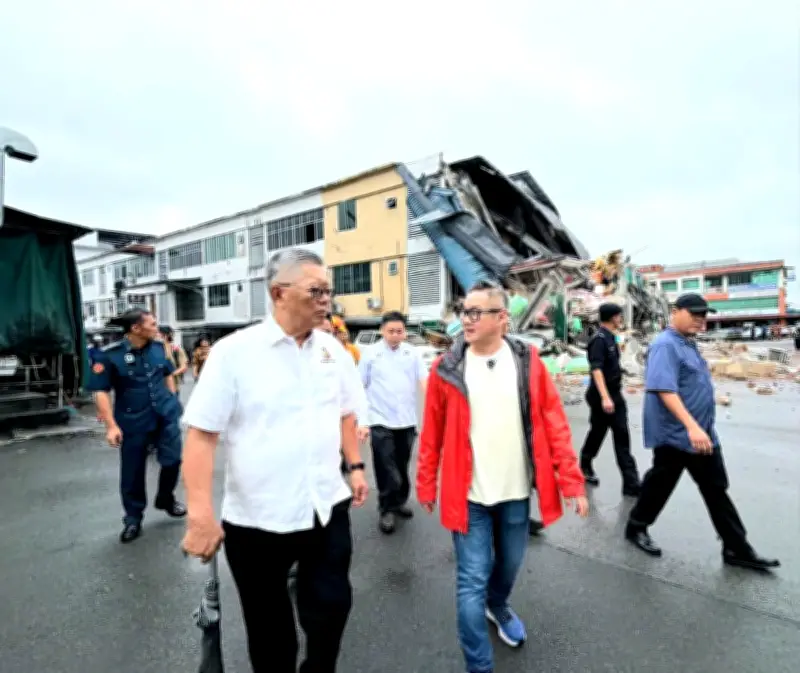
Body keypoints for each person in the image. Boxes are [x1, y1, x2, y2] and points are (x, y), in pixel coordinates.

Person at [180, 249, 369, 673]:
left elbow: (345, 412)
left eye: (328, 291)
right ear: (278, 292)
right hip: (257, 519)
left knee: (332, 609)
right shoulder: (234, 353)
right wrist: (200, 515)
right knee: (270, 632)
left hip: (325, 507)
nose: (327, 300)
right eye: (316, 291)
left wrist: (355, 466)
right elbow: (201, 434)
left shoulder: (333, 352)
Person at [417, 281, 588, 673]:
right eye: (465, 311)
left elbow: (554, 421)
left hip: (514, 492)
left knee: (508, 566)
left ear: (502, 318)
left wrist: (571, 481)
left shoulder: (528, 360)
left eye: (477, 312)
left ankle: (500, 605)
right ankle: (479, 665)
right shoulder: (447, 368)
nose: (467, 320)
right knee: (470, 582)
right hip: (469, 496)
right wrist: (427, 482)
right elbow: (432, 432)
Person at [626, 293, 780, 571]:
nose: (700, 320)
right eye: (694, 314)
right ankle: (636, 527)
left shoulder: (687, 344)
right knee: (661, 484)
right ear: (676, 312)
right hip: (678, 434)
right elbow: (663, 389)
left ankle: (736, 547)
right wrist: (691, 426)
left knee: (715, 488)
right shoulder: (665, 345)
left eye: (703, 315)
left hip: (701, 433)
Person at [86, 309, 186, 543]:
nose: (156, 327)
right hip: (133, 420)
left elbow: (167, 373)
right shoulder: (109, 355)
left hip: (165, 414)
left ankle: (165, 498)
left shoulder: (160, 347)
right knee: (133, 471)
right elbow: (100, 392)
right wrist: (111, 426)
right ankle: (133, 518)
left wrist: (172, 399)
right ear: (136, 329)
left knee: (173, 460)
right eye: (152, 324)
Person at [359, 311, 427, 534]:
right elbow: (360, 386)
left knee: (401, 464)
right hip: (380, 419)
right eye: (391, 331)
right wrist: (362, 420)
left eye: (399, 331)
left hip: (406, 421)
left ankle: (399, 502)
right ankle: (386, 508)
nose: (395, 335)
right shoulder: (370, 354)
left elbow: (424, 381)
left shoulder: (412, 353)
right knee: (386, 466)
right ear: (382, 330)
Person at [579, 303, 641, 496]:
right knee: (598, 433)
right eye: (619, 316)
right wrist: (605, 398)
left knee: (622, 435)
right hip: (601, 396)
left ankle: (631, 484)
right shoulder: (598, 340)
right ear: (613, 317)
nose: (621, 319)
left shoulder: (611, 338)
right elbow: (596, 370)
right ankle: (585, 464)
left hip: (615, 393)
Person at [158, 325, 188, 396]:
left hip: (173, 387)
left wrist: (170, 374)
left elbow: (183, 367)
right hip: (155, 389)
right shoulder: (150, 349)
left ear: (165, 335)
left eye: (157, 333)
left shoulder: (176, 349)